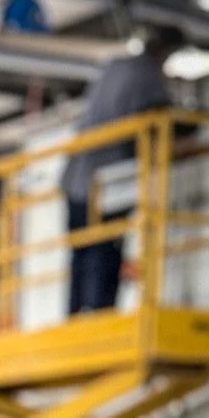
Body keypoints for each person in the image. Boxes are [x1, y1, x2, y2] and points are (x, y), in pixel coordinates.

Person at [62, 25, 182, 314]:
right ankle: (102, 311)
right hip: (108, 177)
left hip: (76, 176)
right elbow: (163, 116)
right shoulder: (148, 75)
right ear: (164, 53)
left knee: (81, 250)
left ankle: (77, 314)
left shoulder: (114, 67)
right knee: (107, 249)